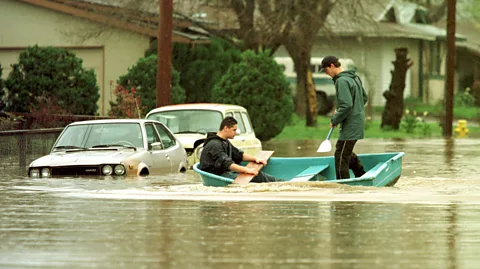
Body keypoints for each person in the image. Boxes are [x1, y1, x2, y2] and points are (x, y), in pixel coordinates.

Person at [320, 55, 368, 179]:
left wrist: (335, 119)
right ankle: (362, 175)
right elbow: (364, 98)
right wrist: (344, 110)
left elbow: (347, 105)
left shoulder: (341, 81)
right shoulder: (354, 77)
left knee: (340, 156)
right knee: (345, 153)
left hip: (350, 125)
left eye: (326, 70)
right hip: (357, 122)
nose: (326, 74)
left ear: (332, 66)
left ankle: (343, 186)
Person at [199, 116, 278, 183]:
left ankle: (281, 182)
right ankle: (282, 183)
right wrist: (247, 170)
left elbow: (238, 154)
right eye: (234, 130)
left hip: (224, 172)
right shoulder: (215, 145)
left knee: (258, 174)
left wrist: (255, 159)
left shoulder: (224, 141)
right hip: (217, 176)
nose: (236, 133)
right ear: (226, 128)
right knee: (256, 176)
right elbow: (227, 164)